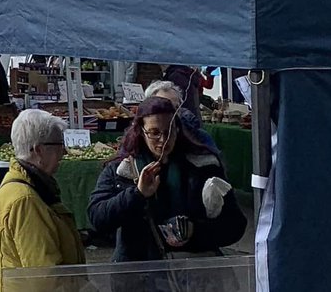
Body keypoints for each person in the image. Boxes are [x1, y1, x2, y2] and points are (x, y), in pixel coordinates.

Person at [87, 96, 246, 280]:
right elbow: (97, 217)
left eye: (169, 131)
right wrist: (137, 194)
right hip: (139, 277)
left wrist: (195, 233)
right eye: (154, 132)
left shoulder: (204, 166)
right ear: (141, 131)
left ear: (178, 129)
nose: (163, 140)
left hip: (193, 276)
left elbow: (235, 225)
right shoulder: (121, 170)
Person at [0, 109, 85, 292]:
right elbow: (46, 279)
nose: (64, 152)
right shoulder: (25, 200)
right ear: (39, 150)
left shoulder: (23, 185)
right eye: (59, 145)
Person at [145, 80, 217, 150]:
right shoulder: (141, 140)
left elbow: (213, 160)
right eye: (165, 108)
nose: (173, 113)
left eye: (176, 107)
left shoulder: (199, 136)